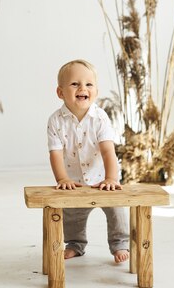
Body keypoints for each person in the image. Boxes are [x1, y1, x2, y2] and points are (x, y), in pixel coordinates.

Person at [46, 59, 130, 263]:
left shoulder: (100, 118)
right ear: (60, 92)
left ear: (96, 91)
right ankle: (75, 244)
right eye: (75, 84)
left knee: (116, 210)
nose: (82, 88)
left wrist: (111, 178)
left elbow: (108, 151)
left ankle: (119, 243)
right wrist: (63, 179)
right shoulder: (55, 120)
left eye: (89, 84)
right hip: (74, 180)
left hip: (102, 180)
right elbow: (55, 153)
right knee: (72, 215)